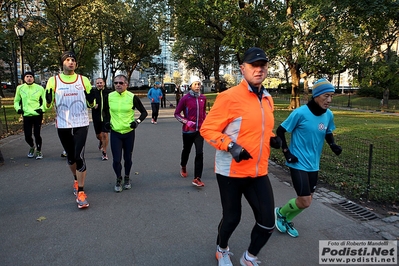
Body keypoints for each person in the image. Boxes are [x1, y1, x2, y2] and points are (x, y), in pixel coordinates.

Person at [200, 47, 281, 266]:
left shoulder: (267, 98)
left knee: (267, 221)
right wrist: (231, 146)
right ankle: (222, 249)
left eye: (262, 65)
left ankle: (249, 256)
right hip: (231, 170)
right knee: (232, 217)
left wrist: (272, 138)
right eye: (254, 65)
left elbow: (260, 127)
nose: (259, 69)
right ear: (242, 69)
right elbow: (207, 129)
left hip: (258, 170)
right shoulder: (229, 97)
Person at [274, 78, 342, 238]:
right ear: (316, 95)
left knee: (307, 200)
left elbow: (327, 131)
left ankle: (286, 218)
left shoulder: (328, 115)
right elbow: (280, 130)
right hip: (298, 162)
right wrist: (287, 152)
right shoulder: (300, 113)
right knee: (304, 200)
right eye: (326, 96)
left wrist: (332, 144)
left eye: (332, 96)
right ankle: (280, 212)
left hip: (314, 164)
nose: (329, 100)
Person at [44, 51, 95, 209]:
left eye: (73, 60)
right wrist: (46, 100)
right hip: (63, 124)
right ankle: (75, 179)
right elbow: (47, 105)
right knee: (71, 157)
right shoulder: (53, 81)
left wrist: (92, 100)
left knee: (79, 156)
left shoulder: (83, 79)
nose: (71, 62)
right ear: (62, 63)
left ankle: (81, 192)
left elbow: (91, 104)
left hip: (81, 122)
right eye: (67, 60)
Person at [105, 74, 148, 192]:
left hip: (129, 132)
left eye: (121, 83)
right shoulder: (109, 96)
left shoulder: (132, 97)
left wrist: (137, 122)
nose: (118, 85)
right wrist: (107, 122)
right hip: (115, 132)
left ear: (126, 85)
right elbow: (105, 112)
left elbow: (144, 113)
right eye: (115, 83)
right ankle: (118, 178)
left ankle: (127, 177)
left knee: (127, 158)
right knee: (116, 159)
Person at [174, 76, 207, 187]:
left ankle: (197, 178)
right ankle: (183, 165)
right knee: (186, 150)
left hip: (200, 131)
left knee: (200, 153)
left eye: (199, 84)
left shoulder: (203, 98)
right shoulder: (185, 99)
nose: (197, 86)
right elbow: (177, 114)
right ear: (190, 86)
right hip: (188, 131)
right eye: (195, 84)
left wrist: (206, 123)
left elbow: (203, 113)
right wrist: (186, 122)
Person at [14, 71, 45, 159]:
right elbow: (16, 101)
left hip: (37, 114)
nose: (29, 78)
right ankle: (32, 146)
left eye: (31, 76)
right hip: (26, 115)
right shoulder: (20, 88)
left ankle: (39, 150)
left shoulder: (40, 88)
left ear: (33, 78)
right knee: (27, 135)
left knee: (37, 134)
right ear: (24, 78)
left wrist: (42, 109)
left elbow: (45, 100)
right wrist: (18, 109)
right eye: (27, 76)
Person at [92, 77, 110, 160]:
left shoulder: (109, 92)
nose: (99, 84)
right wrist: (92, 105)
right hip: (96, 117)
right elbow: (88, 102)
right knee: (98, 135)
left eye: (101, 83)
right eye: (98, 83)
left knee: (105, 134)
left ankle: (104, 152)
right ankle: (100, 141)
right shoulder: (93, 92)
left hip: (106, 117)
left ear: (104, 83)